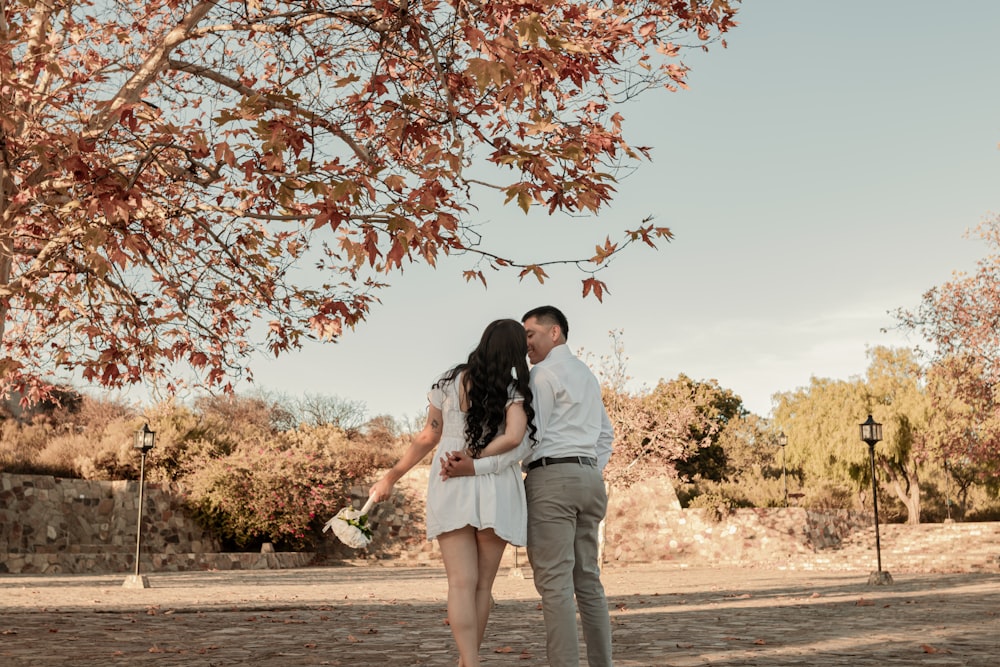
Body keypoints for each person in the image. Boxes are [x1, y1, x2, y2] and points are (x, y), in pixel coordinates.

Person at [442, 305, 614, 667]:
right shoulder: (586, 374)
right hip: (590, 481)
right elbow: (605, 435)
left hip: (553, 481)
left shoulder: (540, 377)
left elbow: (527, 441)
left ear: (555, 333)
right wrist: (587, 469)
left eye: (531, 335)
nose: (525, 345)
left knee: (555, 586)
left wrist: (478, 465)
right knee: (588, 582)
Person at [369, 318, 537, 667]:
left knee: (461, 584)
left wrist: (391, 476)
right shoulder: (513, 389)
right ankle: (469, 661)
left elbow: (428, 436)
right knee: (481, 588)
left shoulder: (448, 381)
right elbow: (516, 437)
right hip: (495, 486)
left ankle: (469, 662)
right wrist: (477, 454)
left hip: (451, 478)